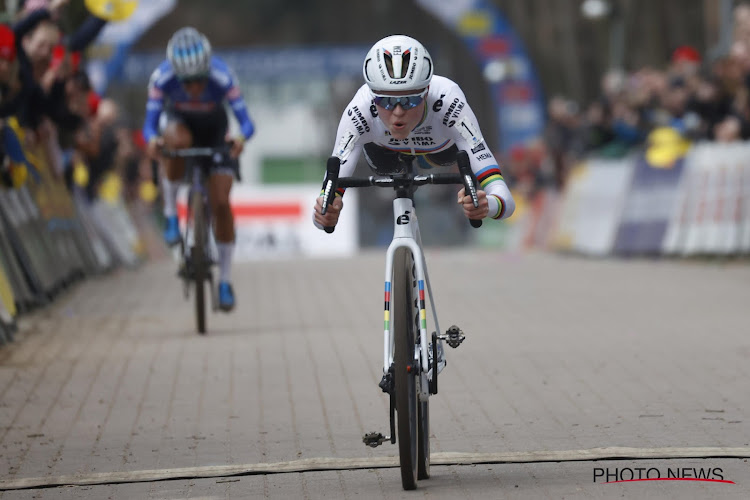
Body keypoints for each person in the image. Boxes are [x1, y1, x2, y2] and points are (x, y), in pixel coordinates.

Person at [313, 34, 515, 231]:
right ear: (373, 95)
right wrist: (326, 212)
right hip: (385, 154)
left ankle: (425, 161)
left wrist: (488, 204)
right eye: (386, 101)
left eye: (410, 100)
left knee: (445, 157)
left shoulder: (449, 104)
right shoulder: (360, 110)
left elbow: (505, 200)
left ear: (426, 93)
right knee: (385, 166)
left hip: (439, 150)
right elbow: (324, 208)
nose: (398, 112)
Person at [143, 27, 255, 312]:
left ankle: (226, 281)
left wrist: (240, 140)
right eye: (187, 81)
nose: (193, 87)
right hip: (181, 127)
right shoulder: (162, 78)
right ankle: (171, 214)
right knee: (173, 143)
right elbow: (149, 125)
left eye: (199, 80)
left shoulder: (223, 76)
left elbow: (246, 124)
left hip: (215, 132)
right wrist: (153, 142)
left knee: (221, 203)